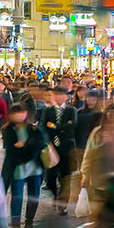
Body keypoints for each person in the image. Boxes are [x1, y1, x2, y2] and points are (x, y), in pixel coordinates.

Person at [0, 102, 47, 228]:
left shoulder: (34, 128)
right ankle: (16, 227)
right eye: (15, 114)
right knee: (17, 197)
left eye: (21, 113)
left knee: (34, 196)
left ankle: (29, 221)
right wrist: (30, 148)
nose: (18, 116)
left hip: (35, 169)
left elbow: (41, 143)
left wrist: (25, 145)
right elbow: (11, 150)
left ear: (26, 114)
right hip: (17, 168)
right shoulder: (7, 129)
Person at [40, 85, 77, 213]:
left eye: (62, 95)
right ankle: (56, 197)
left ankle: (63, 205)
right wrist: (47, 141)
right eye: (57, 95)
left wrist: (54, 126)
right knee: (50, 177)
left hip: (67, 148)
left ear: (66, 97)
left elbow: (73, 126)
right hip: (52, 149)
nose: (59, 97)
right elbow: (42, 127)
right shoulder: (48, 111)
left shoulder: (71, 110)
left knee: (66, 178)